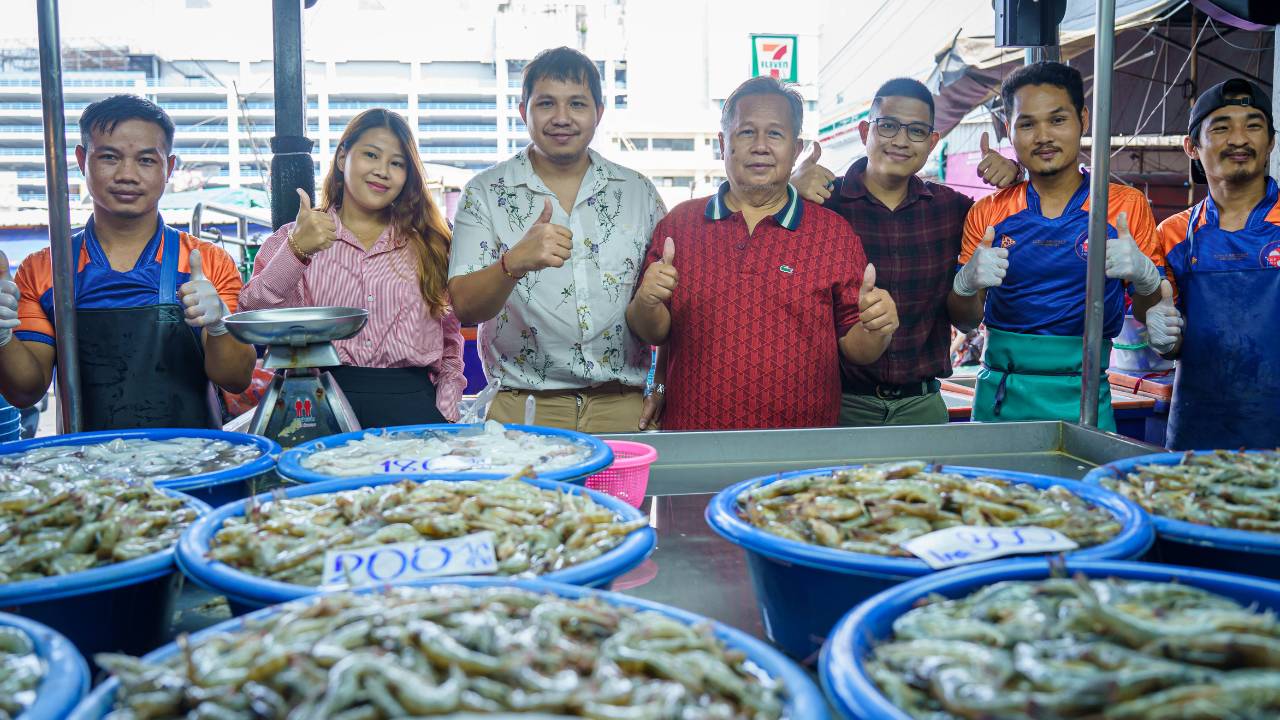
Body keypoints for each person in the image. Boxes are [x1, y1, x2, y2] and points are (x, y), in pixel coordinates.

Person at [625, 76, 899, 431]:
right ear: (723, 143)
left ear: (796, 148)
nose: (760, 146)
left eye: (775, 134)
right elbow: (653, 333)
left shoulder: (834, 234)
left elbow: (857, 349)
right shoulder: (679, 225)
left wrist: (878, 328)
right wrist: (647, 301)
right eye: (746, 132)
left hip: (801, 450)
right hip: (693, 441)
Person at [0, 95, 254, 430]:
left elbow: (236, 378)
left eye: (146, 161)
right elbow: (25, 392)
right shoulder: (44, 270)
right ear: (82, 160)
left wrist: (220, 325)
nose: (127, 175)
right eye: (109, 157)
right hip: (86, 469)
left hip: (196, 465)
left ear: (170, 167)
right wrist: (3, 338)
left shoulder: (208, 262)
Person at [448, 47, 665, 432]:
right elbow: (464, 307)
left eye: (577, 104)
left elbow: (667, 311)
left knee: (619, 497)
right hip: (522, 410)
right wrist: (511, 264)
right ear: (523, 111)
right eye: (546, 103)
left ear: (599, 112)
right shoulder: (484, 192)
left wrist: (662, 384)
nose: (562, 118)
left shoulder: (638, 193)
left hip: (623, 406)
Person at [947, 62, 1165, 431]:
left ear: (1083, 118)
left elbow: (1151, 313)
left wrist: (1145, 280)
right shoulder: (988, 211)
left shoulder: (1124, 205)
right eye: (1027, 124)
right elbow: (965, 319)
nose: (1043, 136)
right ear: (1008, 130)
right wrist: (965, 283)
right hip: (1000, 395)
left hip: (1085, 396)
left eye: (1058, 120)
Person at [791, 77, 1020, 427]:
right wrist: (788, 189)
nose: (900, 140)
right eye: (888, 126)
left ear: (932, 142)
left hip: (922, 406)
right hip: (838, 405)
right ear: (865, 130)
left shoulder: (953, 210)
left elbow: (970, 316)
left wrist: (1016, 177)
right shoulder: (823, 203)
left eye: (915, 131)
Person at [240, 109, 465, 427]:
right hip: (318, 404)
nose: (382, 171)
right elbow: (252, 312)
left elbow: (450, 341)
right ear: (343, 157)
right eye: (371, 155)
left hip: (413, 407)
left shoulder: (432, 245)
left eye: (397, 163)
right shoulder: (291, 238)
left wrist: (445, 412)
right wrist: (296, 251)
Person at [1151, 78, 1280, 450]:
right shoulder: (1173, 235)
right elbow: (1168, 346)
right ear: (1192, 146)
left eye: (1253, 125)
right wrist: (1161, 333)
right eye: (1222, 127)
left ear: (1270, 141)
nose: (1239, 139)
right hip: (1197, 430)